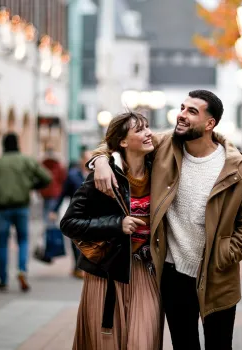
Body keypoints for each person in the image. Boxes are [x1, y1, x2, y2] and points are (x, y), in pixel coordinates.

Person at [90, 90, 242, 350]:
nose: (181, 115)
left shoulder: (239, 169)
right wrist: (100, 161)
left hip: (218, 275)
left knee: (220, 346)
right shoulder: (163, 147)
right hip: (174, 274)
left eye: (192, 111)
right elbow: (117, 140)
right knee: (184, 345)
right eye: (182, 108)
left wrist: (223, 254)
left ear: (210, 123)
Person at [60, 112, 162, 350]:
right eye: (139, 129)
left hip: (147, 271)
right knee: (107, 344)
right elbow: (69, 223)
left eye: (148, 127)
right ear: (123, 142)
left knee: (143, 341)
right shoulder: (103, 178)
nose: (148, 133)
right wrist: (117, 224)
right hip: (108, 274)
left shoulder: (160, 170)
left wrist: (99, 159)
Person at [0, 133, 51, 292]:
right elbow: (46, 177)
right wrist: (30, 185)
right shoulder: (26, 161)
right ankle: (21, 270)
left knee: (2, 243)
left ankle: (2, 279)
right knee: (23, 240)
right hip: (21, 206)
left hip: (2, 209)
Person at [48, 149, 93, 278]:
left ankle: (81, 266)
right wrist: (54, 210)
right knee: (76, 241)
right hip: (76, 213)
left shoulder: (98, 174)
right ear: (82, 160)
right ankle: (78, 267)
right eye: (87, 158)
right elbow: (62, 194)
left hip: (92, 213)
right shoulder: (73, 175)